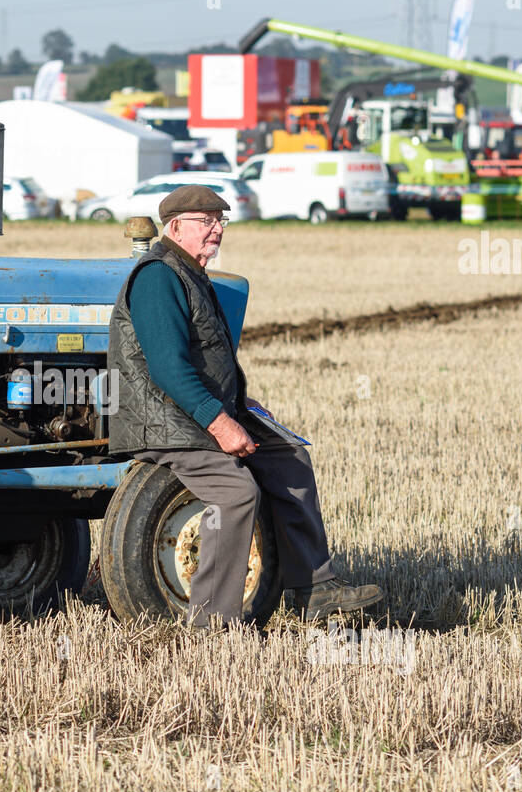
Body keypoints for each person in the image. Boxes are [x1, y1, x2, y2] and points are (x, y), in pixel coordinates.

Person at [107, 184, 384, 628]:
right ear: (176, 226)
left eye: (221, 220)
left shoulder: (191, 273)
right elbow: (167, 368)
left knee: (288, 457)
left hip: (196, 413)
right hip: (166, 421)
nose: (217, 229)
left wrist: (239, 404)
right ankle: (212, 622)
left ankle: (316, 587)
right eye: (206, 221)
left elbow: (204, 358)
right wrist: (220, 422)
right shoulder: (159, 276)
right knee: (237, 493)